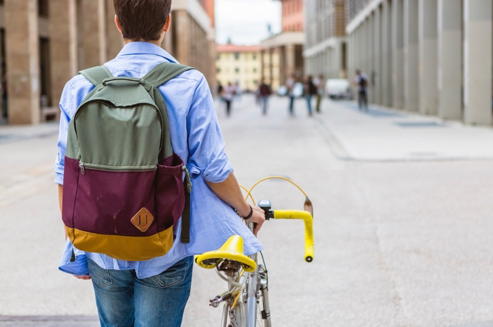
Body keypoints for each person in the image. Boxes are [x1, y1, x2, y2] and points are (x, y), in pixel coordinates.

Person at [54, 1, 265, 326]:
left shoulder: (79, 86)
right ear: (166, 24)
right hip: (164, 245)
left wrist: (77, 239)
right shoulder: (189, 84)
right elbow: (214, 169)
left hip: (101, 247)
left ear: (117, 23)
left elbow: (64, 173)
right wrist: (246, 210)